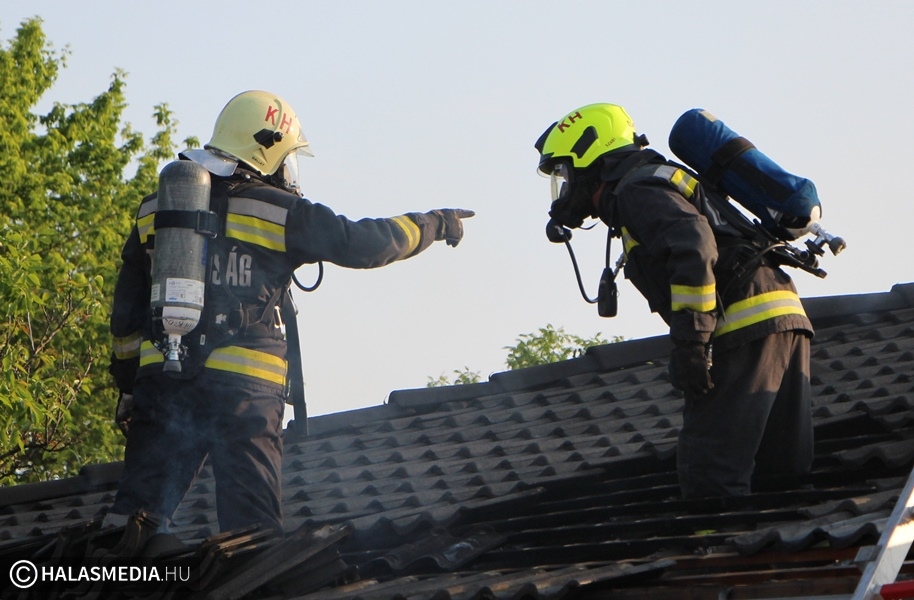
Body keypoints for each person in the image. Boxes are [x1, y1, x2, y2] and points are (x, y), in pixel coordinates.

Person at [107, 90, 473, 534]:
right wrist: (432, 223)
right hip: (244, 395)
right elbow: (365, 243)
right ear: (269, 149)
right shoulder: (280, 211)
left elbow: (126, 313)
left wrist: (129, 387)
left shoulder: (155, 209)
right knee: (251, 534)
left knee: (133, 520)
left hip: (165, 383)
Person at [534, 103, 813, 499]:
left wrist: (691, 342)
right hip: (783, 315)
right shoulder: (656, 180)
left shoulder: (636, 189)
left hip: (743, 322)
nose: (565, 187)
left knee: (709, 470)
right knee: (779, 471)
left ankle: (715, 539)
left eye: (564, 172)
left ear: (588, 156)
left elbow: (694, 246)